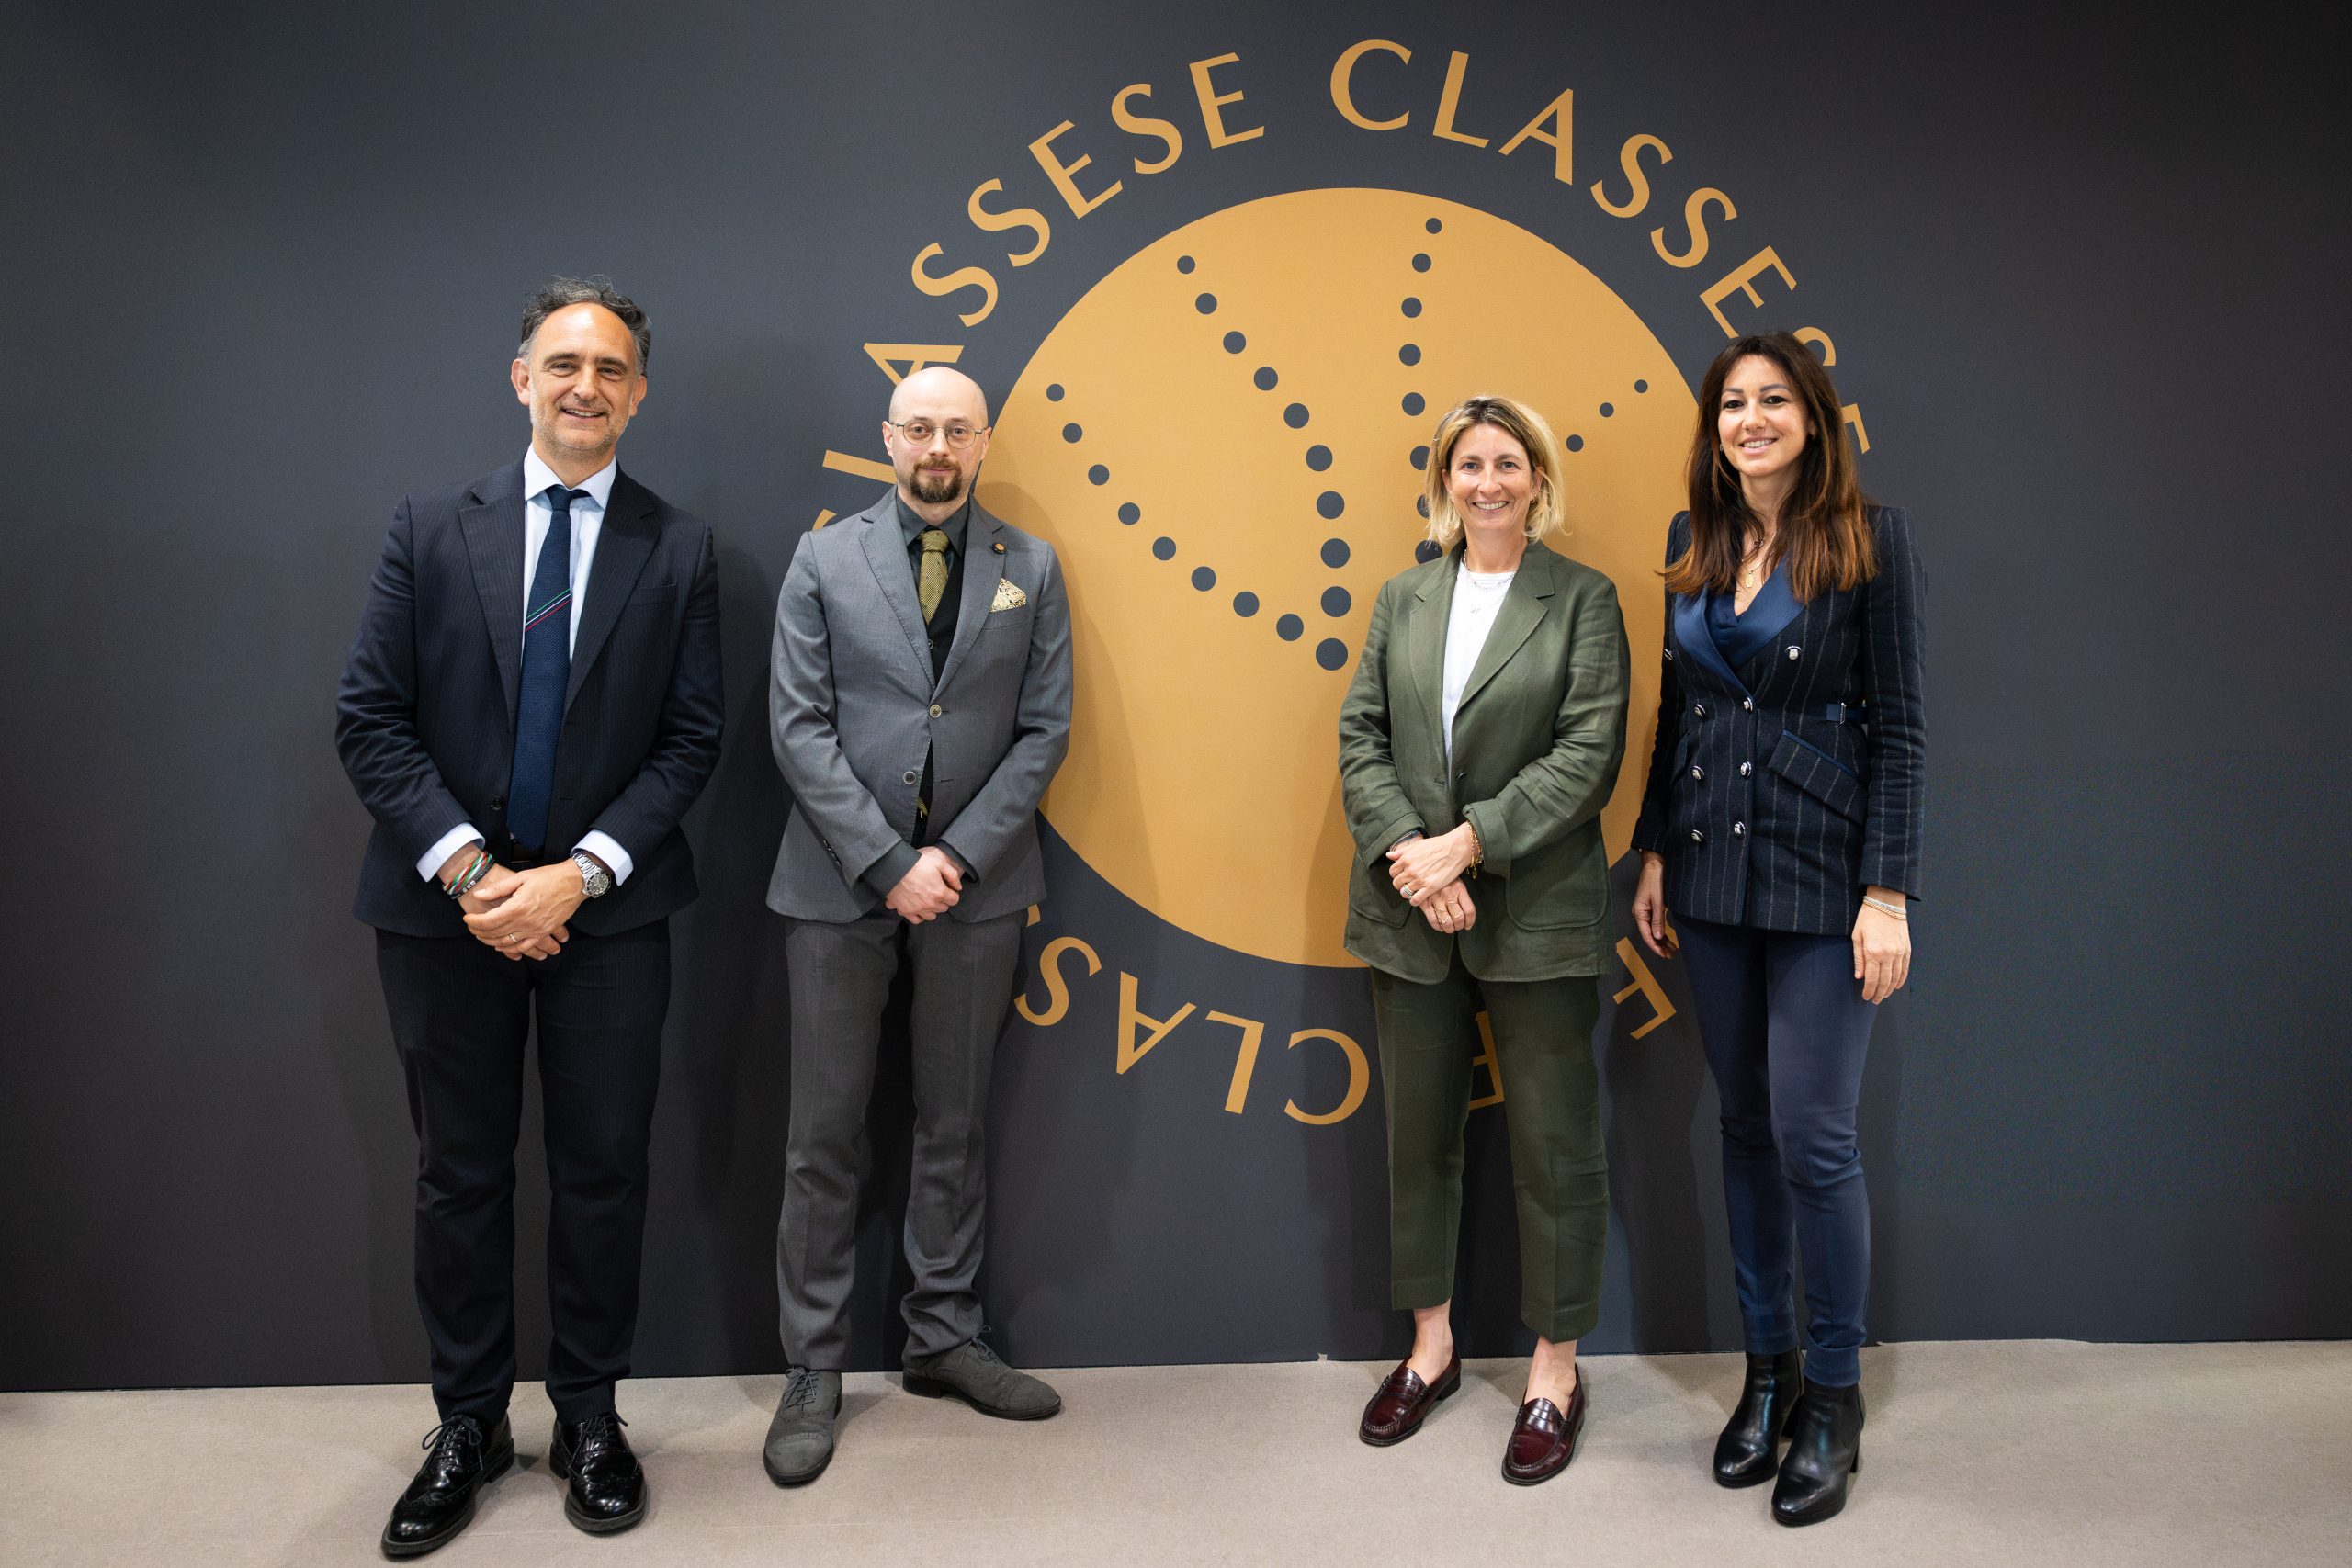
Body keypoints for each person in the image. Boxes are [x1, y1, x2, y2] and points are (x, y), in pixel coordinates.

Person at [335, 276, 721, 1556]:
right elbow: (370, 719)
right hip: (442, 918)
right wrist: (475, 876)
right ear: (521, 379)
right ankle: (468, 1423)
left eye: (610, 368)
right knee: (459, 1175)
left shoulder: (679, 547)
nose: (585, 386)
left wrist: (575, 877)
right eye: (563, 363)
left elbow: (691, 740)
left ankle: (590, 1417)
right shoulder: (428, 528)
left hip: (607, 918)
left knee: (604, 1173)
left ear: (639, 393)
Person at [1629, 331, 1925, 1527]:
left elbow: (1900, 728)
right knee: (1744, 1129)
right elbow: (1675, 712)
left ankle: (1834, 1396)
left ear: (1813, 419)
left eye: (1773, 401)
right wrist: (1655, 847)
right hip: (1708, 874)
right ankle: (1769, 1376)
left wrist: (1887, 892)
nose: (1750, 420)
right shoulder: (1692, 539)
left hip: (1821, 880)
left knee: (1814, 1139)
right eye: (1732, 404)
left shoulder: (1869, 539)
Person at [761, 366, 1073, 1485]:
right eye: (920, 428)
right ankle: (813, 1365)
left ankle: (942, 1335)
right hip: (839, 887)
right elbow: (797, 728)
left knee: (956, 1121)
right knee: (823, 1136)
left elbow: (1043, 731)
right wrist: (890, 863)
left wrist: (954, 856)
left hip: (978, 887)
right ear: (888, 438)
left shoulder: (1032, 566)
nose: (938, 447)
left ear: (984, 442)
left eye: (958, 430)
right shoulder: (821, 558)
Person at [1338, 394, 1629, 1485]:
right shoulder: (1403, 596)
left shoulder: (1582, 599)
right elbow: (1361, 735)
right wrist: (1412, 860)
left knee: (1555, 1148)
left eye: (1509, 463)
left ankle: (1555, 1370)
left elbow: (1587, 753)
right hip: (1409, 912)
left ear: (1538, 480)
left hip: (1535, 911)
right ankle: (1431, 1349)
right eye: (1470, 464)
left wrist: (1466, 846)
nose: (1489, 482)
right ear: (1444, 481)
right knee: (1418, 1138)